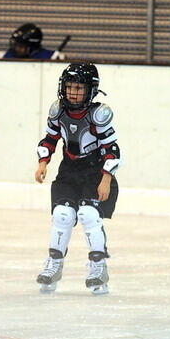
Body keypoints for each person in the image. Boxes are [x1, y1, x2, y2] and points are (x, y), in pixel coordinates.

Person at [34, 63, 120, 295]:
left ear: (91, 90)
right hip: (69, 172)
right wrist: (43, 162)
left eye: (79, 88)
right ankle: (54, 264)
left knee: (89, 215)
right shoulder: (58, 111)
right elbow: (50, 138)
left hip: (95, 173)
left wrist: (106, 179)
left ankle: (98, 266)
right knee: (62, 214)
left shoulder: (98, 115)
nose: (73, 92)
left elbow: (112, 149)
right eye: (70, 87)